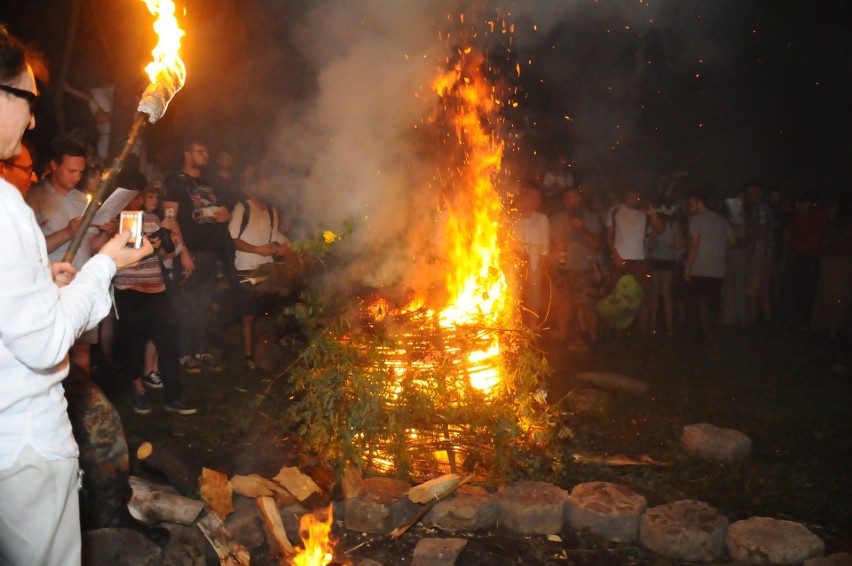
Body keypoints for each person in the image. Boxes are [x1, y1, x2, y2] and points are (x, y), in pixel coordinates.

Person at [0, 28, 153, 565]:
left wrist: (43, 280)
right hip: (21, 447)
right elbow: (42, 345)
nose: (33, 119)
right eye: (27, 100)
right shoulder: (9, 207)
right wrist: (108, 262)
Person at [26, 135, 119, 377]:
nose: (77, 177)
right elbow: (30, 252)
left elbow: (90, 245)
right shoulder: (35, 198)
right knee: (55, 353)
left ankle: (83, 406)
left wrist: (107, 234)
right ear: (54, 166)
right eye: (71, 171)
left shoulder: (81, 200)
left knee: (82, 352)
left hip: (81, 284)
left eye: (80, 171)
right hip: (52, 287)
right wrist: (67, 231)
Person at [113, 185, 197, 414]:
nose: (149, 199)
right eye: (144, 194)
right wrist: (160, 231)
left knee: (168, 343)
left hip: (156, 288)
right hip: (131, 288)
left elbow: (162, 255)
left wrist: (170, 237)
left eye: (152, 196)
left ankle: (174, 396)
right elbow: (131, 254)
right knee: (134, 344)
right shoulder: (124, 219)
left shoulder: (153, 218)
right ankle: (139, 391)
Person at [162, 139, 231, 373]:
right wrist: (183, 253)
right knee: (185, 306)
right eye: (200, 151)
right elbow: (169, 220)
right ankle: (184, 354)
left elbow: (218, 209)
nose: (206, 155)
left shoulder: (206, 183)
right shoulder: (175, 182)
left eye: (206, 151)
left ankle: (200, 350)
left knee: (203, 305)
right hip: (187, 253)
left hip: (209, 253)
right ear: (187, 154)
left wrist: (224, 215)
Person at [228, 176, 290, 368]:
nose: (267, 188)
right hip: (246, 267)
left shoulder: (272, 211)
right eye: (263, 184)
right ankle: (248, 357)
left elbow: (273, 237)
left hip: (267, 268)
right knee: (249, 314)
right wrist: (257, 250)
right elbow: (233, 238)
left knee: (271, 310)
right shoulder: (242, 208)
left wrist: (283, 247)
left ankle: (268, 349)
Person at [605, 186, 663, 333]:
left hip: (639, 260)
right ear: (626, 195)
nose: (634, 198)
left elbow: (660, 229)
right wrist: (616, 256)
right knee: (618, 298)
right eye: (631, 195)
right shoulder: (615, 211)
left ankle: (644, 331)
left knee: (642, 297)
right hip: (619, 260)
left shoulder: (644, 214)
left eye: (637, 195)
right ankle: (619, 334)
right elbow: (609, 236)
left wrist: (653, 215)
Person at [548, 187, 602, 343]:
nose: (570, 201)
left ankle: (593, 339)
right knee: (564, 306)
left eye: (574, 198)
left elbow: (596, 244)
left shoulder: (590, 219)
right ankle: (563, 339)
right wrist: (555, 246)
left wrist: (580, 227)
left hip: (582, 269)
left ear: (580, 200)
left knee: (587, 306)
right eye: (567, 198)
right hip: (561, 269)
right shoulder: (556, 219)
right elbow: (548, 245)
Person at [684, 188, 735, 343]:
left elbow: (694, 245)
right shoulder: (722, 220)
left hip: (700, 269)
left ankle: (697, 337)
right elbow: (733, 241)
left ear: (701, 203)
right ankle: (714, 336)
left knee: (696, 304)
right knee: (713, 304)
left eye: (694, 203)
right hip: (718, 270)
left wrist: (688, 266)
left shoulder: (696, 220)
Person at [513, 187, 549, 330]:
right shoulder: (513, 217)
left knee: (534, 296)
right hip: (515, 264)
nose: (537, 201)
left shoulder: (541, 219)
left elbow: (545, 243)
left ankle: (532, 329)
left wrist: (543, 259)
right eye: (533, 197)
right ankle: (514, 328)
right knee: (515, 295)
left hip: (534, 263)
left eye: (539, 198)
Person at [744, 182, 776, 323]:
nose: (750, 195)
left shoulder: (760, 208)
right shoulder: (758, 208)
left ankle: (752, 324)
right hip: (765, 254)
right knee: (764, 291)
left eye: (753, 192)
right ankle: (767, 321)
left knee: (752, 291)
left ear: (760, 193)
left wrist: (745, 240)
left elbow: (762, 231)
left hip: (759, 253)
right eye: (748, 192)